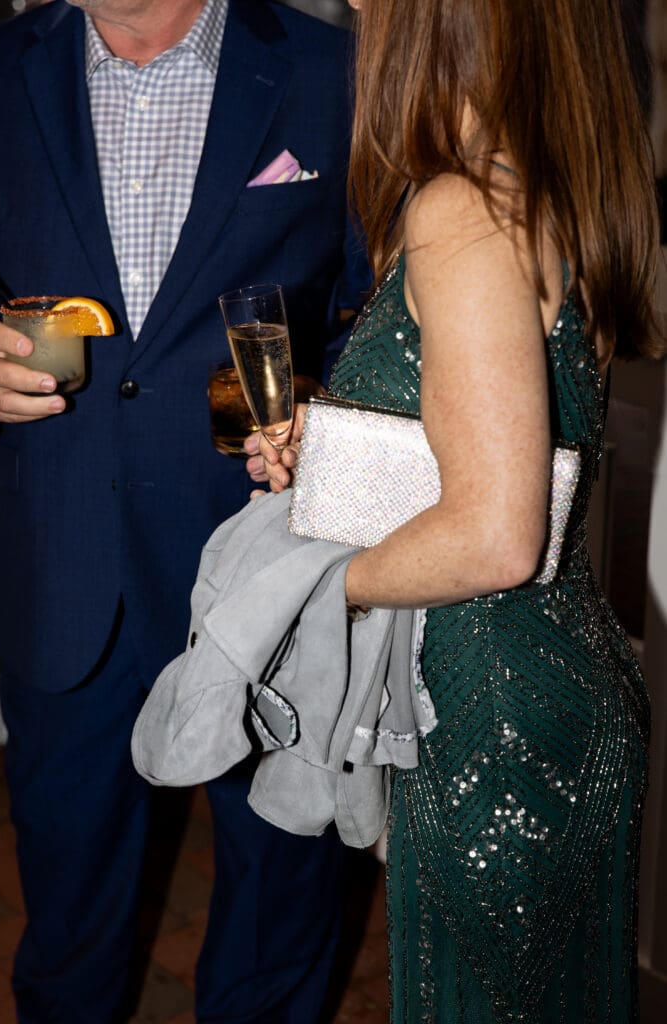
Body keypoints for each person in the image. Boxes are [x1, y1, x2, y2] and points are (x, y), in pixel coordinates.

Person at [256, 0, 666, 1020]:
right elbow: (493, 447)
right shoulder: (532, 184)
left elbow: (492, 535)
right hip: (539, 679)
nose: (357, 7)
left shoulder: (460, 209)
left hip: (488, 712)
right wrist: (339, 455)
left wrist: (303, 592)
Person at [0, 1, 368, 1021]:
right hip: (62, 561)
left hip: (269, 562)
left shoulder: (340, 72)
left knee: (279, 888)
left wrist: (329, 415)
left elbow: (383, 305)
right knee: (66, 905)